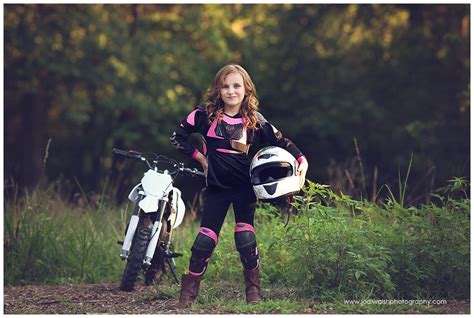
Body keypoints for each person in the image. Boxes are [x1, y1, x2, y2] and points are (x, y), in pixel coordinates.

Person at [170, 64, 308, 307]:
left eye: (236, 86)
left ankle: (253, 290)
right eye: (225, 86)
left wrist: (301, 160)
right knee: (204, 240)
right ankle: (189, 293)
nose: (231, 91)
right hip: (216, 188)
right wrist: (200, 158)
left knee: (245, 237)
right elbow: (178, 137)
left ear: (246, 90)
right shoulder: (204, 115)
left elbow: (282, 141)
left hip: (245, 189)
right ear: (218, 89)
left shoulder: (254, 121)